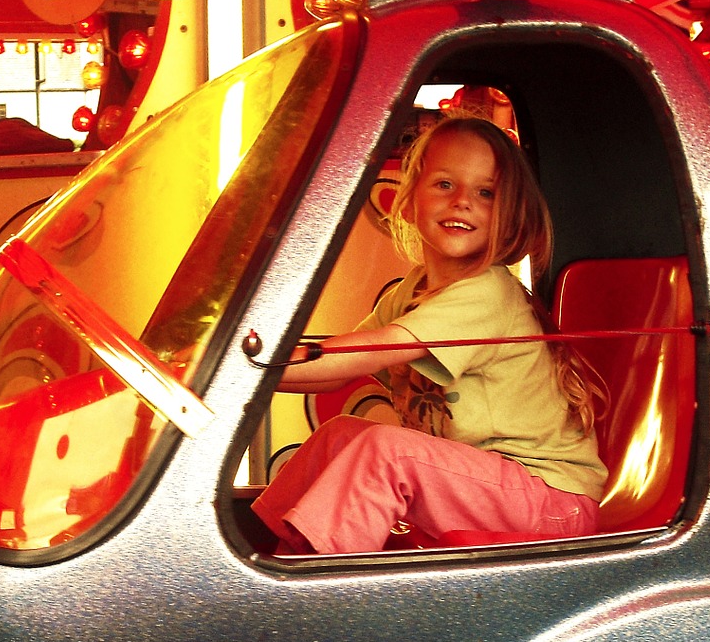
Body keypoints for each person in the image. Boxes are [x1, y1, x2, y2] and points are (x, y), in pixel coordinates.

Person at [251, 116, 608, 554]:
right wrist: (242, 371)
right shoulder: (412, 293)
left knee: (389, 451)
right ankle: (267, 557)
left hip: (551, 502)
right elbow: (336, 368)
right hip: (492, 488)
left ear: (509, 215)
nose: (462, 202)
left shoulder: (487, 291)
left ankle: (317, 594)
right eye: (444, 184)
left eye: (485, 193)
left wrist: (246, 363)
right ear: (407, 200)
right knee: (341, 434)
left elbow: (369, 351)